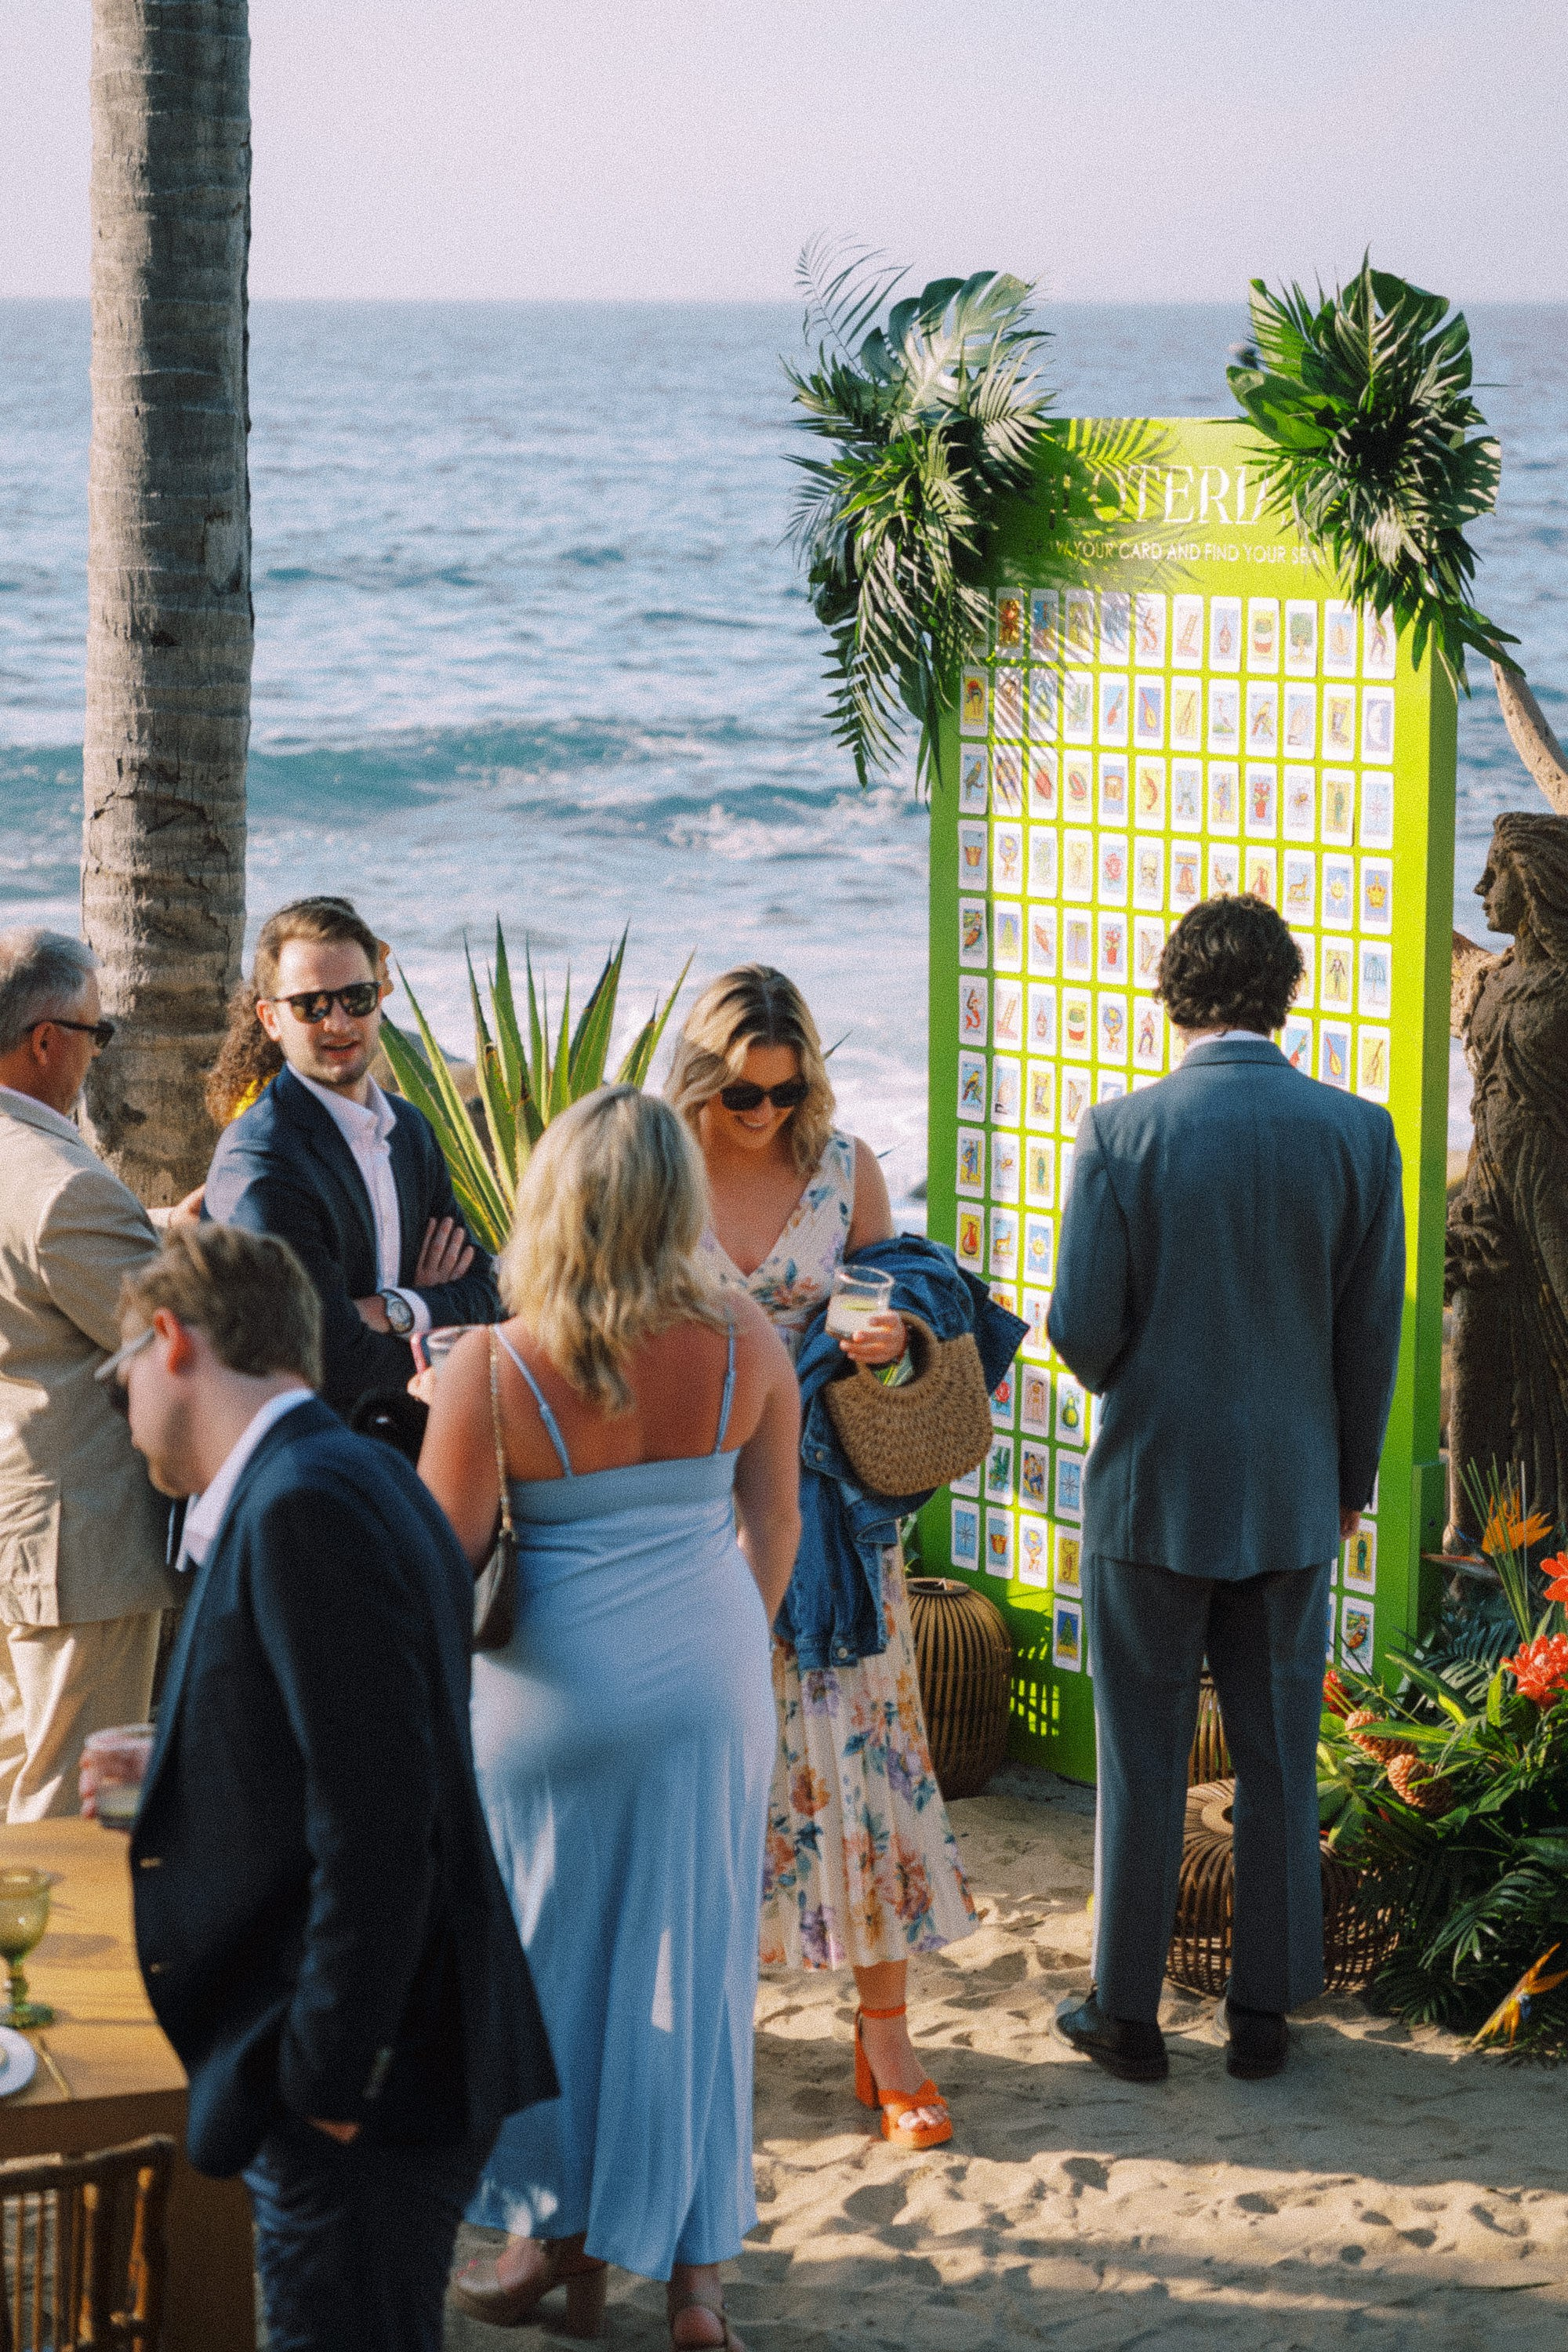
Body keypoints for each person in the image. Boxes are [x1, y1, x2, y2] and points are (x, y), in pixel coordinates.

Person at [107, 1221, 554, 2352]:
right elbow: (337, 1744)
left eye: (116, 1372)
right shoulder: (351, 1469)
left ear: (170, 1341)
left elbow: (378, 1819)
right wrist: (173, 1757)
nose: (120, 1404)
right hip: (387, 2062)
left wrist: (330, 2082)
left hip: (369, 2087)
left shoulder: (303, 1503)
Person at [419, 1088, 797, 2350]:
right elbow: (777, 1523)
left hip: (552, 1704)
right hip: (712, 1686)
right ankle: (696, 2285)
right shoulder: (750, 1339)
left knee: (546, 1968)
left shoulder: (497, 1362)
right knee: (700, 1966)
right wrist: (721, 1643)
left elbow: (441, 1557)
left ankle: (544, 2244)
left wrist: (437, 1416)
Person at [1047, 894, 1404, 2084]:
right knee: (1278, 1756)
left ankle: (1128, 2014)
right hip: (1297, 1492)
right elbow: (1370, 1342)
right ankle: (1264, 2014)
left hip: (1152, 1491)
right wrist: (1345, 1483)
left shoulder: (1121, 1132)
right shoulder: (1360, 1134)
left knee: (1143, 1757)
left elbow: (1084, 1332)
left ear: (1172, 998)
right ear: (1284, 997)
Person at [667, 966, 977, 2151]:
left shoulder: (843, 1168)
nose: (765, 1114)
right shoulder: (656, 1162)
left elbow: (907, 1306)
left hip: (834, 1524)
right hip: (691, 1511)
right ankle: (709, 2022)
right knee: (716, 1773)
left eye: (785, 1092)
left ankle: (886, 2038)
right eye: (744, 1094)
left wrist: (891, 1341)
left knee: (867, 1769)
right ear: (705, 1074)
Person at [0, 928, 177, 1818]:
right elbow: (168, 1330)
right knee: (69, 1804)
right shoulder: (62, 1184)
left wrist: (154, 1222)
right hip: (79, 1545)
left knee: (13, 1775)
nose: (95, 1053)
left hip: (15, 1519)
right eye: (95, 1034)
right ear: (46, 1040)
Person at [202, 896, 499, 1417]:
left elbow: (487, 1291)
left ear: (380, 999)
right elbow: (324, 1358)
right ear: (271, 1019)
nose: (339, 1023)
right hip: (311, 1461)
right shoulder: (261, 1161)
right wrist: (432, 1333)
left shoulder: (408, 1131)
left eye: (356, 998)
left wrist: (394, 1309)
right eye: (311, 1005)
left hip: (403, 1444)